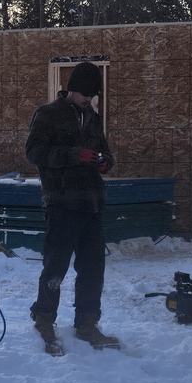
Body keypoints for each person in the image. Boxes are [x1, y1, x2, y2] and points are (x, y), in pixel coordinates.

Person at [24, 61, 120, 355]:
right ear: (72, 90)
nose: (88, 101)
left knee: (93, 268)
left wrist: (105, 161)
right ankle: (44, 319)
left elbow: (105, 152)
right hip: (61, 202)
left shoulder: (93, 117)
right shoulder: (48, 114)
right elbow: (34, 152)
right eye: (84, 96)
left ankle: (87, 322)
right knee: (56, 266)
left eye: (92, 97)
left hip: (91, 203)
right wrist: (74, 155)